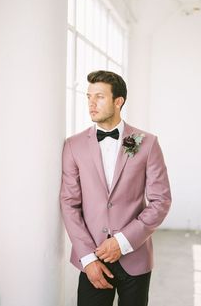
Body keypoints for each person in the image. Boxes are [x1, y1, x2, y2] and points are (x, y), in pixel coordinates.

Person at [60, 70, 171, 306]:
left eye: (99, 96)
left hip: (135, 255)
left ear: (118, 101)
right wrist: (88, 258)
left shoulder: (147, 143)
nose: (91, 103)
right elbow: (69, 204)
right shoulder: (73, 145)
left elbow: (161, 201)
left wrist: (121, 241)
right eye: (88, 97)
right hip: (93, 257)